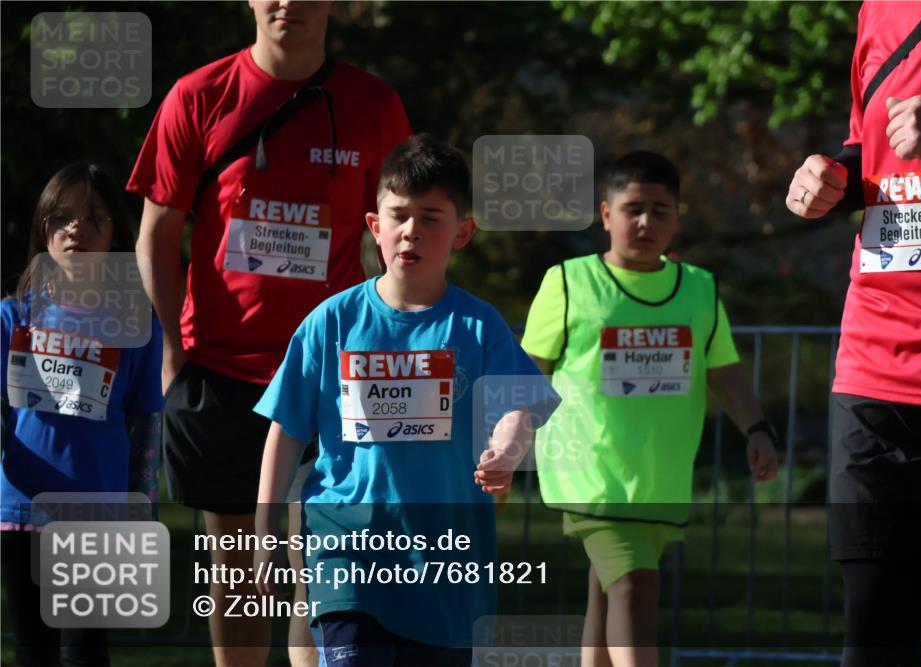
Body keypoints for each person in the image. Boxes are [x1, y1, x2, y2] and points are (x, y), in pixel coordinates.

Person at [127, 1, 411, 665]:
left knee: (320, 554)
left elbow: (399, 231)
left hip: (331, 376)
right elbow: (156, 235)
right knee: (239, 568)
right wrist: (171, 350)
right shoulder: (198, 96)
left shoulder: (374, 104)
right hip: (220, 372)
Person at [253, 134, 560, 667]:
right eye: (398, 216)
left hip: (446, 565)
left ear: (463, 232)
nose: (411, 230)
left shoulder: (478, 325)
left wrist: (508, 451)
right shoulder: (331, 323)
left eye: (431, 217)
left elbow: (520, 406)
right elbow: (287, 429)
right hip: (346, 552)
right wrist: (264, 530)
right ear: (375, 226)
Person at [785, 2, 921, 665]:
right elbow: (869, 145)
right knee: (877, 618)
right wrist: (832, 177)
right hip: (877, 363)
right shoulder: (879, 9)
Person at [522, 150, 780, 667]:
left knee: (608, 592)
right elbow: (528, 370)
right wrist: (504, 449)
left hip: (660, 478)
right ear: (606, 214)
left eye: (660, 210)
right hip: (589, 474)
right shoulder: (570, 282)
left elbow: (723, 370)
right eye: (633, 208)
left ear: (678, 218)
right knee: (636, 587)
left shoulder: (699, 289)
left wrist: (756, 427)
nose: (645, 221)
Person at [1, 162, 163, 666]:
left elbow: (147, 427)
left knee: (84, 652)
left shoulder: (138, 324)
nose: (76, 229)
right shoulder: (13, 317)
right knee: (34, 651)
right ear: (43, 229)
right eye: (62, 217)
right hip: (18, 512)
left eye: (94, 218)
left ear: (116, 233)